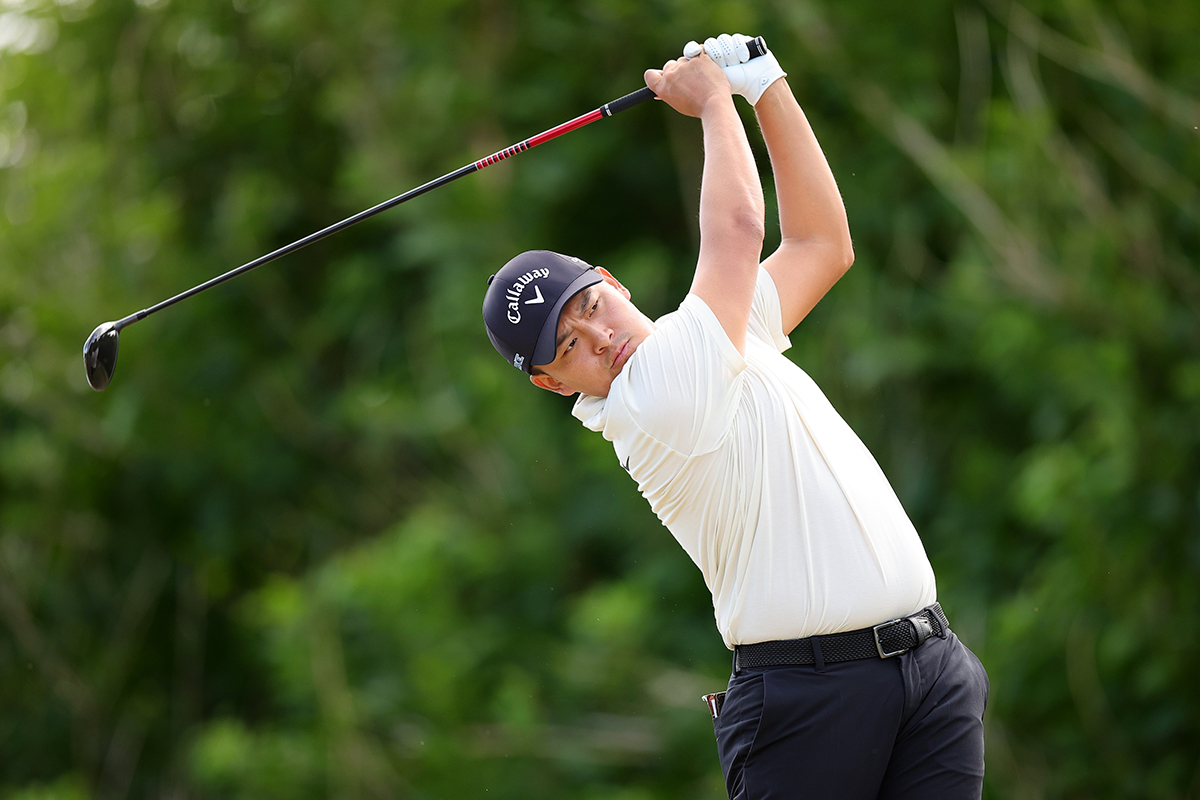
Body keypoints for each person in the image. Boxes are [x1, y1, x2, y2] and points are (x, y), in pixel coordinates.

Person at [481, 34, 988, 800]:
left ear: (613, 283)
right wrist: (715, 100)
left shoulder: (714, 338)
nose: (601, 337)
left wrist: (767, 87)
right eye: (571, 346)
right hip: (810, 705)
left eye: (591, 306)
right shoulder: (653, 396)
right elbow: (738, 233)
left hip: (929, 666)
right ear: (554, 385)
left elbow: (821, 243)